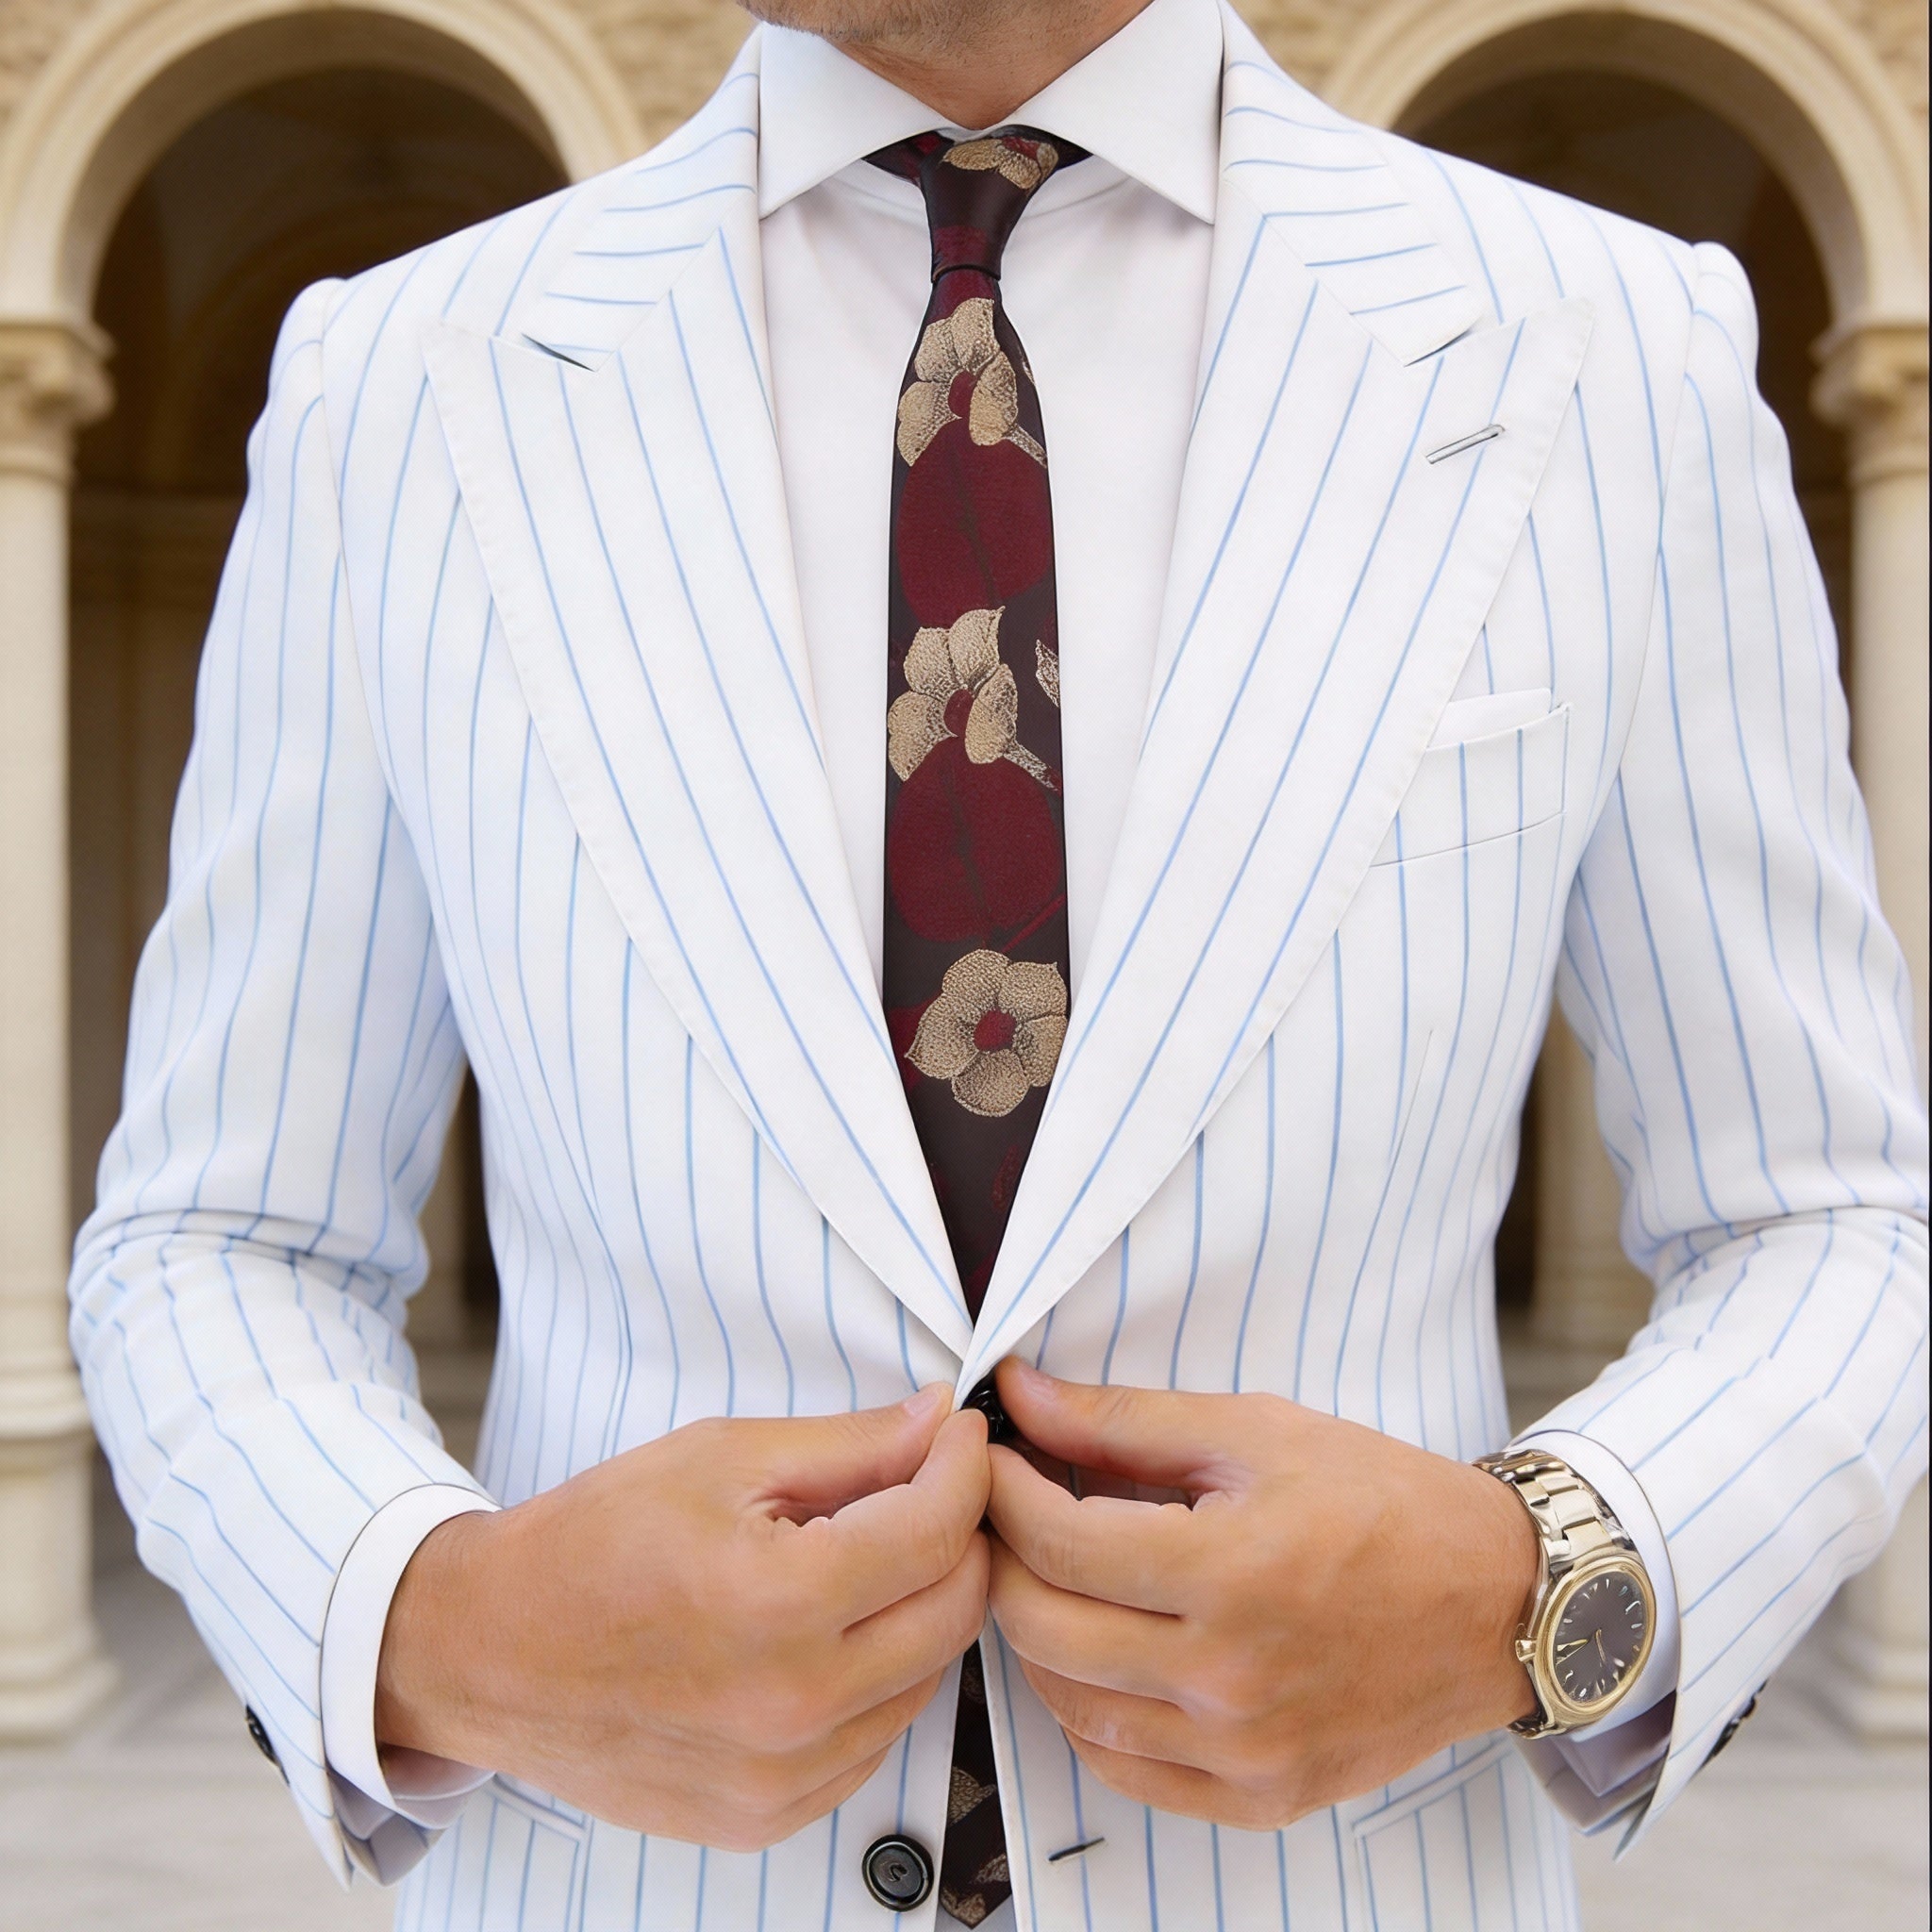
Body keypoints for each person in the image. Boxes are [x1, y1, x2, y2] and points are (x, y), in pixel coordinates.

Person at [71, 0, 1927, 1926]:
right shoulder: (400, 383)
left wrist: (1536, 1584)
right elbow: (222, 1235)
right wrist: (435, 1624)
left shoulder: (1612, 353)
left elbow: (1828, 1214)